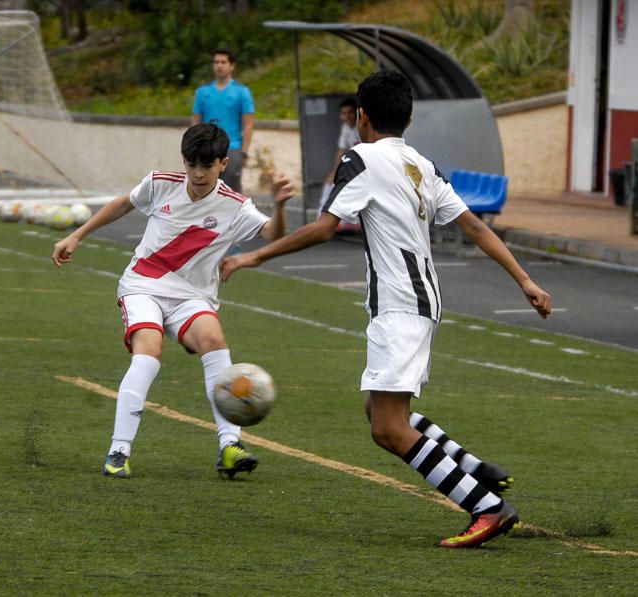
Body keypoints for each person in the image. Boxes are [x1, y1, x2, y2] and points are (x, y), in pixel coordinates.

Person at [221, 70, 552, 548]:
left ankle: (486, 507)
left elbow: (324, 228)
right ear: (409, 118)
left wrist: (252, 255)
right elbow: (475, 228)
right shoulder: (423, 164)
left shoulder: (359, 158)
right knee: (378, 407)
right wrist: (525, 280)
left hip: (399, 304)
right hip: (422, 299)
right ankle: (475, 469)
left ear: (361, 117)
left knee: (387, 429)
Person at [52, 123, 294, 480]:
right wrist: (77, 235)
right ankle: (119, 450)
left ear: (223, 163)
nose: (197, 173)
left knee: (214, 340)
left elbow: (273, 233)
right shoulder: (160, 182)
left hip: (192, 298)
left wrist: (280, 205)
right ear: (184, 160)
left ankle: (230, 446)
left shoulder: (236, 206)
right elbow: (123, 204)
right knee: (148, 352)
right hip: (143, 286)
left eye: (207, 165)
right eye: (191, 164)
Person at [192, 47, 254, 193]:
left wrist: (243, 152)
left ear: (231, 66)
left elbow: (248, 125)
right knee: (207, 191)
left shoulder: (242, 92)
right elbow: (196, 124)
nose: (219, 65)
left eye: (223, 62)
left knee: (231, 192)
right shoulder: (202, 92)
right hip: (207, 149)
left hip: (232, 149)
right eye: (216, 62)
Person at [318, 98, 361, 234]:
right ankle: (322, 219)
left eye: (350, 113)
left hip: (363, 167)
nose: (347, 116)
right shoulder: (346, 127)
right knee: (330, 184)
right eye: (343, 113)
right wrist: (335, 171)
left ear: (357, 113)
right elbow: (341, 150)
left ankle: (350, 222)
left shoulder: (363, 126)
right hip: (352, 166)